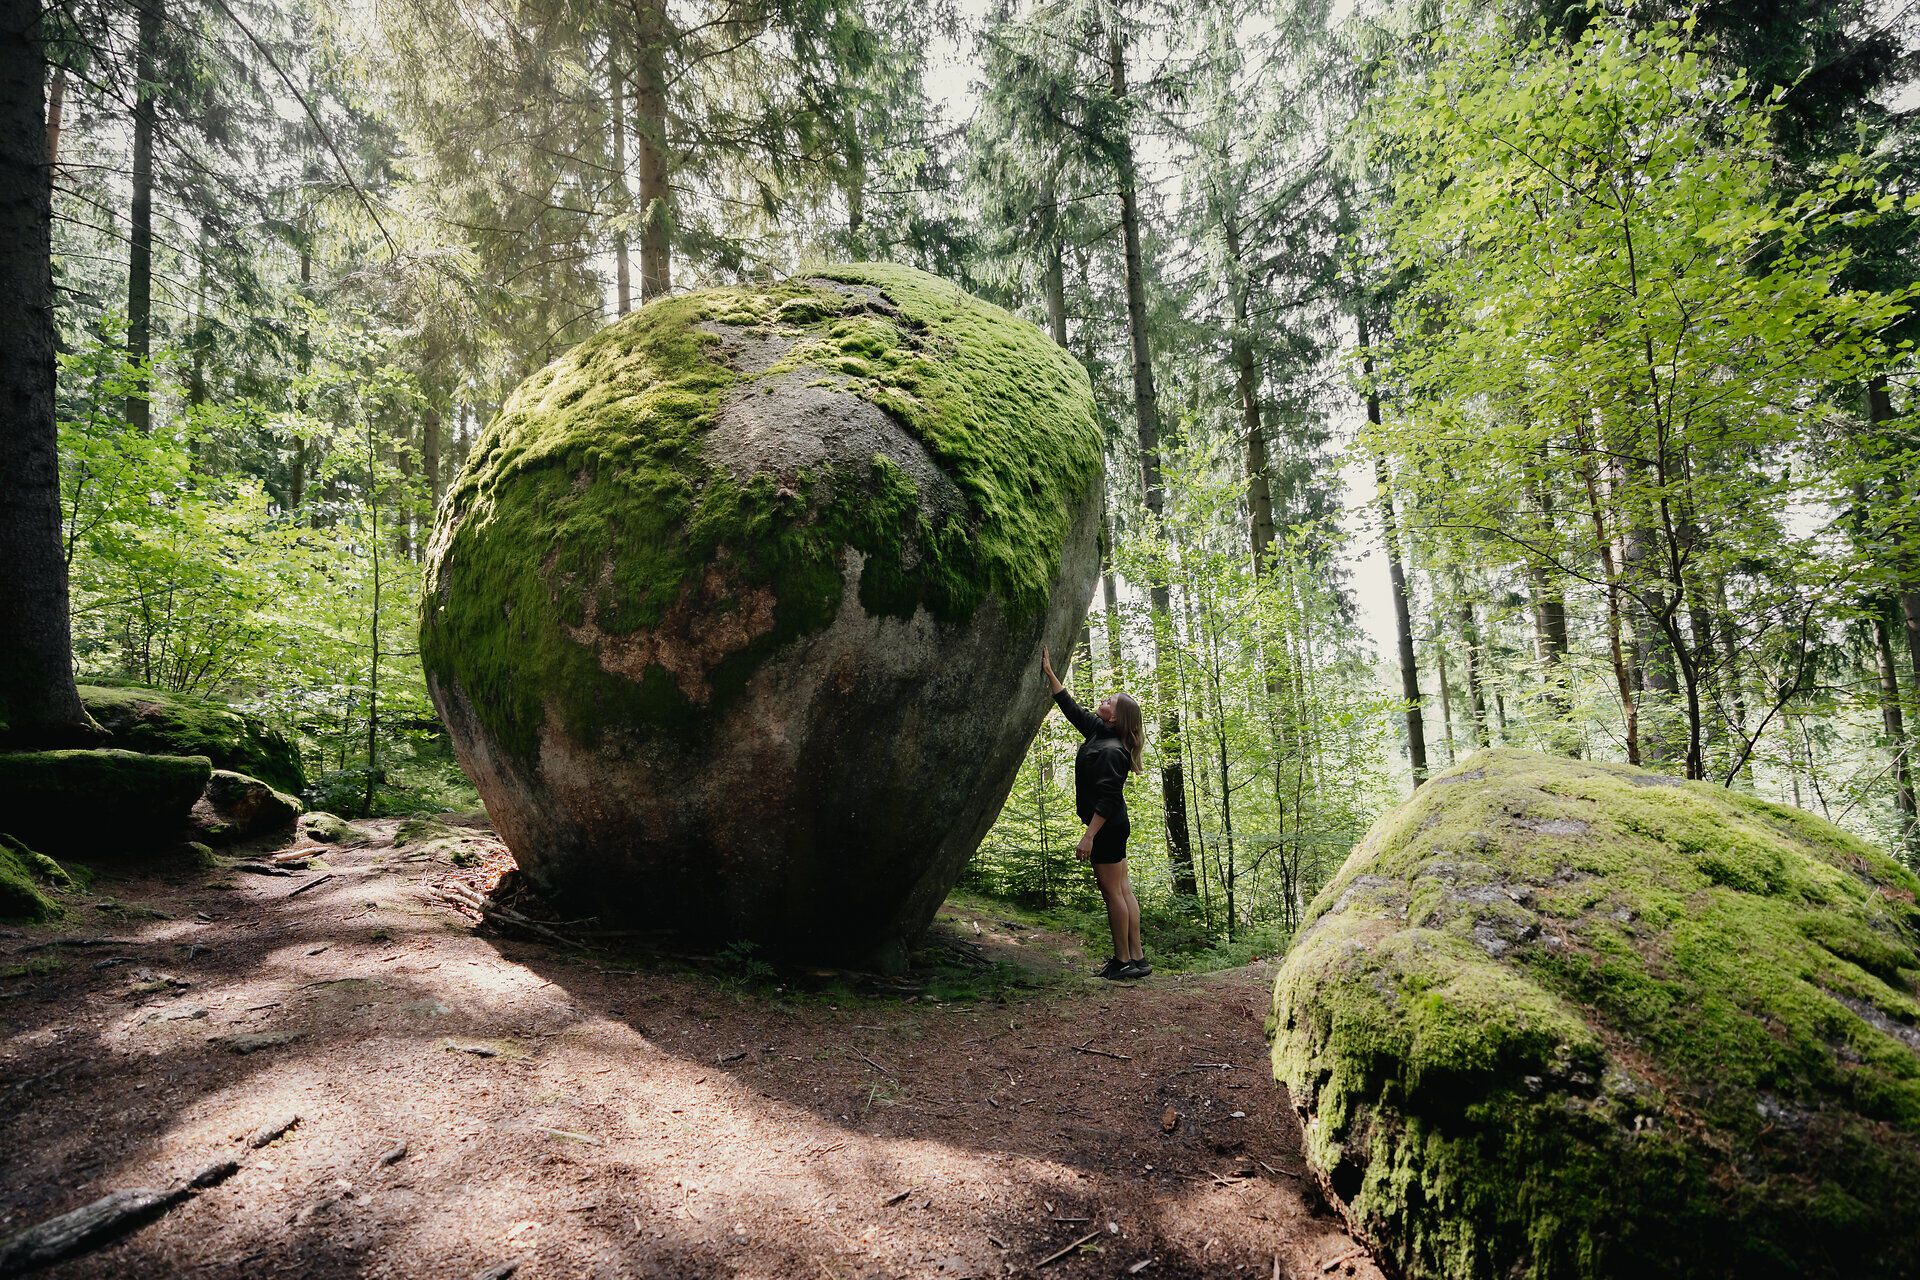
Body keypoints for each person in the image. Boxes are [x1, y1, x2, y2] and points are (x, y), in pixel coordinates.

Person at [1041, 645, 1149, 981]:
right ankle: (1137, 958)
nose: (1103, 701)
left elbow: (1108, 799)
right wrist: (1050, 673)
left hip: (1107, 827)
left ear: (1115, 717)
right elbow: (1073, 710)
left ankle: (1122, 961)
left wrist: (1089, 836)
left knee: (1112, 891)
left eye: (1109, 702)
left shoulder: (1112, 750)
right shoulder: (1100, 732)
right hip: (1113, 826)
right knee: (1123, 889)